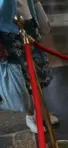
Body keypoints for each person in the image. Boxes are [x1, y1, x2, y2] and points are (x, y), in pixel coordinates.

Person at [0, 0, 57, 133]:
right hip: (9, 33)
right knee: (23, 78)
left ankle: (42, 112)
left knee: (39, 73)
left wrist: (41, 18)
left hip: (29, 25)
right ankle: (31, 116)